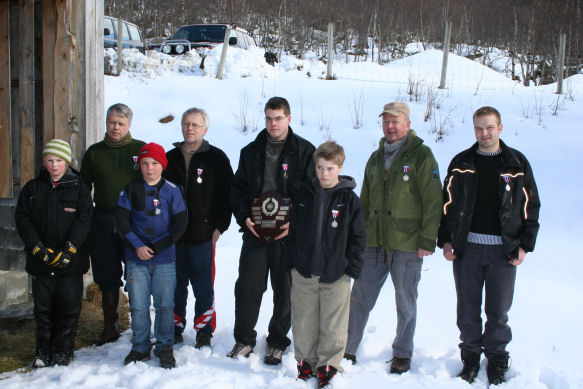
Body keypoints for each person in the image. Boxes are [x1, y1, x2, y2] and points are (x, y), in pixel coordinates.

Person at [437, 106, 540, 385]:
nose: (484, 133)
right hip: (466, 249)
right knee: (467, 309)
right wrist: (446, 239)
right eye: (479, 128)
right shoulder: (461, 162)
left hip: (502, 251)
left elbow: (531, 206)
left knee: (498, 311)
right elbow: (446, 204)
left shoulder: (516, 163)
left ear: (500, 128)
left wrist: (524, 245)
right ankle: (470, 358)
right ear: (474, 130)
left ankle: (496, 358)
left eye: (490, 127)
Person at [344, 102, 442, 374]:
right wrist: (358, 235)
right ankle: (348, 348)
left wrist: (427, 240)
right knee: (360, 296)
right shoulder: (375, 157)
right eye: (386, 121)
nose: (390, 126)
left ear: (408, 124)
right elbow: (364, 199)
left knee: (405, 300)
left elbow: (434, 200)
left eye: (395, 121)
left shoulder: (422, 156)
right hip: (374, 241)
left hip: (407, 243)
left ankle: (402, 353)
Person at [229, 96, 316, 365]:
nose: (273, 123)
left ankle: (277, 342)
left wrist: (295, 224)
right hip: (256, 232)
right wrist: (245, 218)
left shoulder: (304, 151)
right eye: (268, 118)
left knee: (285, 290)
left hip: (287, 235)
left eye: (278, 118)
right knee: (247, 287)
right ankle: (244, 340)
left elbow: (312, 194)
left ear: (289, 118)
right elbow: (238, 190)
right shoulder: (250, 151)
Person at [286, 141, 365, 388]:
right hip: (305, 271)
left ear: (340, 168)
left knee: (333, 324)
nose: (324, 174)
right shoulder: (304, 195)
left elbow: (359, 237)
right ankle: (306, 362)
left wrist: (351, 268)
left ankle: (328, 365)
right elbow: (292, 231)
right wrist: (292, 262)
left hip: (336, 273)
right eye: (320, 168)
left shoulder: (349, 199)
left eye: (330, 168)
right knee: (303, 320)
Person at [15, 139, 93, 367]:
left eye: (59, 160)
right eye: (50, 160)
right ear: (43, 162)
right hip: (42, 261)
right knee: (43, 308)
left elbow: (84, 219)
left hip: (71, 262)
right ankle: (42, 351)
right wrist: (36, 247)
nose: (54, 165)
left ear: (66, 162)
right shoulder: (32, 189)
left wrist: (70, 249)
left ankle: (63, 351)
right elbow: (23, 219)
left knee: (68, 307)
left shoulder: (79, 187)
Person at [163, 107, 233, 348]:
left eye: (195, 124)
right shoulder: (168, 158)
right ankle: (174, 326)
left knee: (204, 285)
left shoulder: (217, 158)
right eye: (186, 124)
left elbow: (228, 196)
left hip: (203, 236)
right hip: (173, 237)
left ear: (205, 129)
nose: (190, 128)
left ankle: (204, 330)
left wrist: (220, 227)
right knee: (175, 284)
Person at [115, 142, 187, 369]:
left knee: (165, 305)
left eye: (155, 163)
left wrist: (158, 246)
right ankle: (140, 346)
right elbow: (121, 220)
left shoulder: (172, 191)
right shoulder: (129, 189)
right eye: (145, 163)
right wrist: (137, 246)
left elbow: (180, 223)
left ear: (162, 165)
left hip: (164, 259)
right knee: (138, 305)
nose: (150, 168)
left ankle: (165, 346)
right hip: (136, 259)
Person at [80, 103, 145, 346]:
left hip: (133, 221)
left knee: (137, 273)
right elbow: (83, 188)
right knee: (107, 275)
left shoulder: (140, 150)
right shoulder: (95, 152)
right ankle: (110, 326)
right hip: (104, 219)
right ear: (106, 122)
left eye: (121, 123)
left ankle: (141, 325)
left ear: (129, 125)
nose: (115, 127)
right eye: (111, 122)